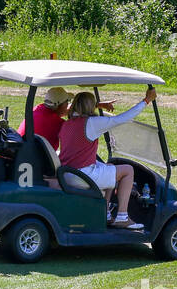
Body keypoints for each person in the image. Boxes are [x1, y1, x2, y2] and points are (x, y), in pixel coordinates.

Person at [57, 88, 157, 229]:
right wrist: (146, 101)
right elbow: (122, 119)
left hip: (67, 174)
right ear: (89, 107)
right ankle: (122, 216)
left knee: (109, 167)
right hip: (82, 175)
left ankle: (105, 214)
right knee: (127, 170)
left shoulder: (67, 124)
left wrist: (99, 105)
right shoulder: (91, 123)